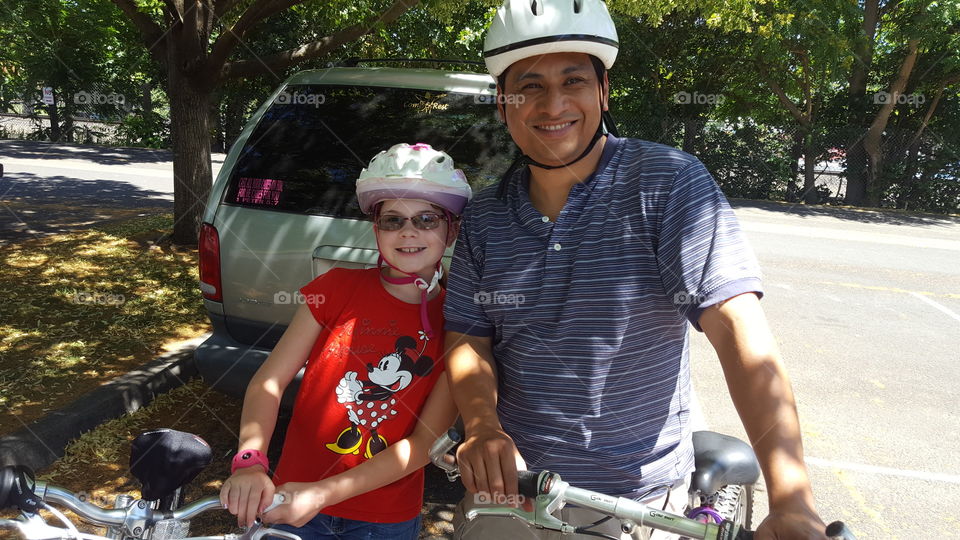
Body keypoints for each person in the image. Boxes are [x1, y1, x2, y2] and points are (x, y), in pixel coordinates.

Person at [442, 1, 828, 539]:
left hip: (639, 506)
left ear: (603, 90)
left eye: (573, 80)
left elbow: (739, 331)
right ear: (503, 106)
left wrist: (792, 498)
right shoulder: (486, 215)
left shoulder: (669, 183)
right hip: (511, 498)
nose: (553, 104)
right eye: (528, 87)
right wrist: (482, 426)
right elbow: (467, 334)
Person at [220, 143, 470, 540]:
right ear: (376, 229)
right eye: (392, 220)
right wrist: (250, 461)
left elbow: (425, 443)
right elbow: (269, 382)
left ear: (451, 229)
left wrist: (321, 494)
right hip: (289, 498)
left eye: (426, 219)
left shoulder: (460, 319)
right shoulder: (335, 289)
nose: (408, 231)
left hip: (382, 518)